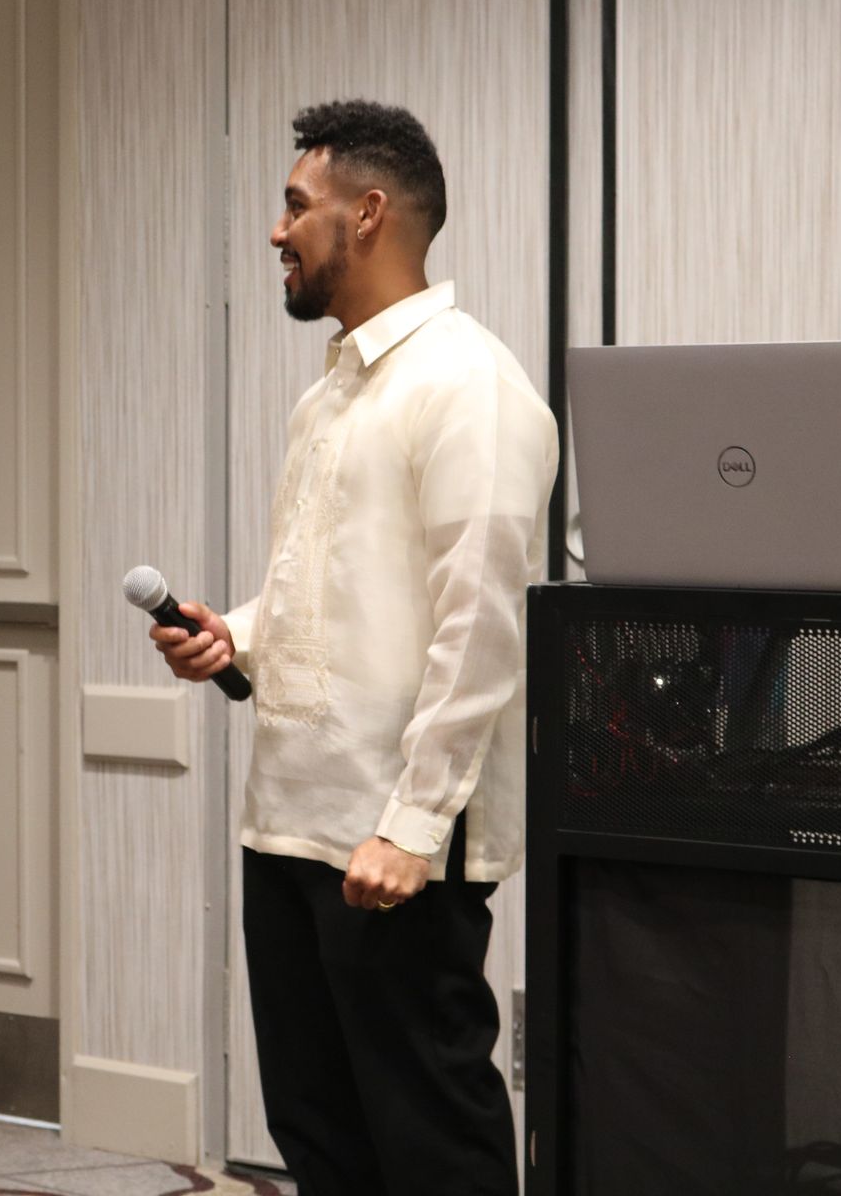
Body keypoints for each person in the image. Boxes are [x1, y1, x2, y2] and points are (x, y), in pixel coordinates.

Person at [152, 101, 557, 1194]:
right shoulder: (333, 390)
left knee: (430, 1132)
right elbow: (324, 583)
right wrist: (234, 632)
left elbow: (480, 628)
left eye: (296, 205)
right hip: (289, 818)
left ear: (367, 213)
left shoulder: (468, 386)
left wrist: (413, 825)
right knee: (318, 1128)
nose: (277, 231)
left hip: (392, 844)